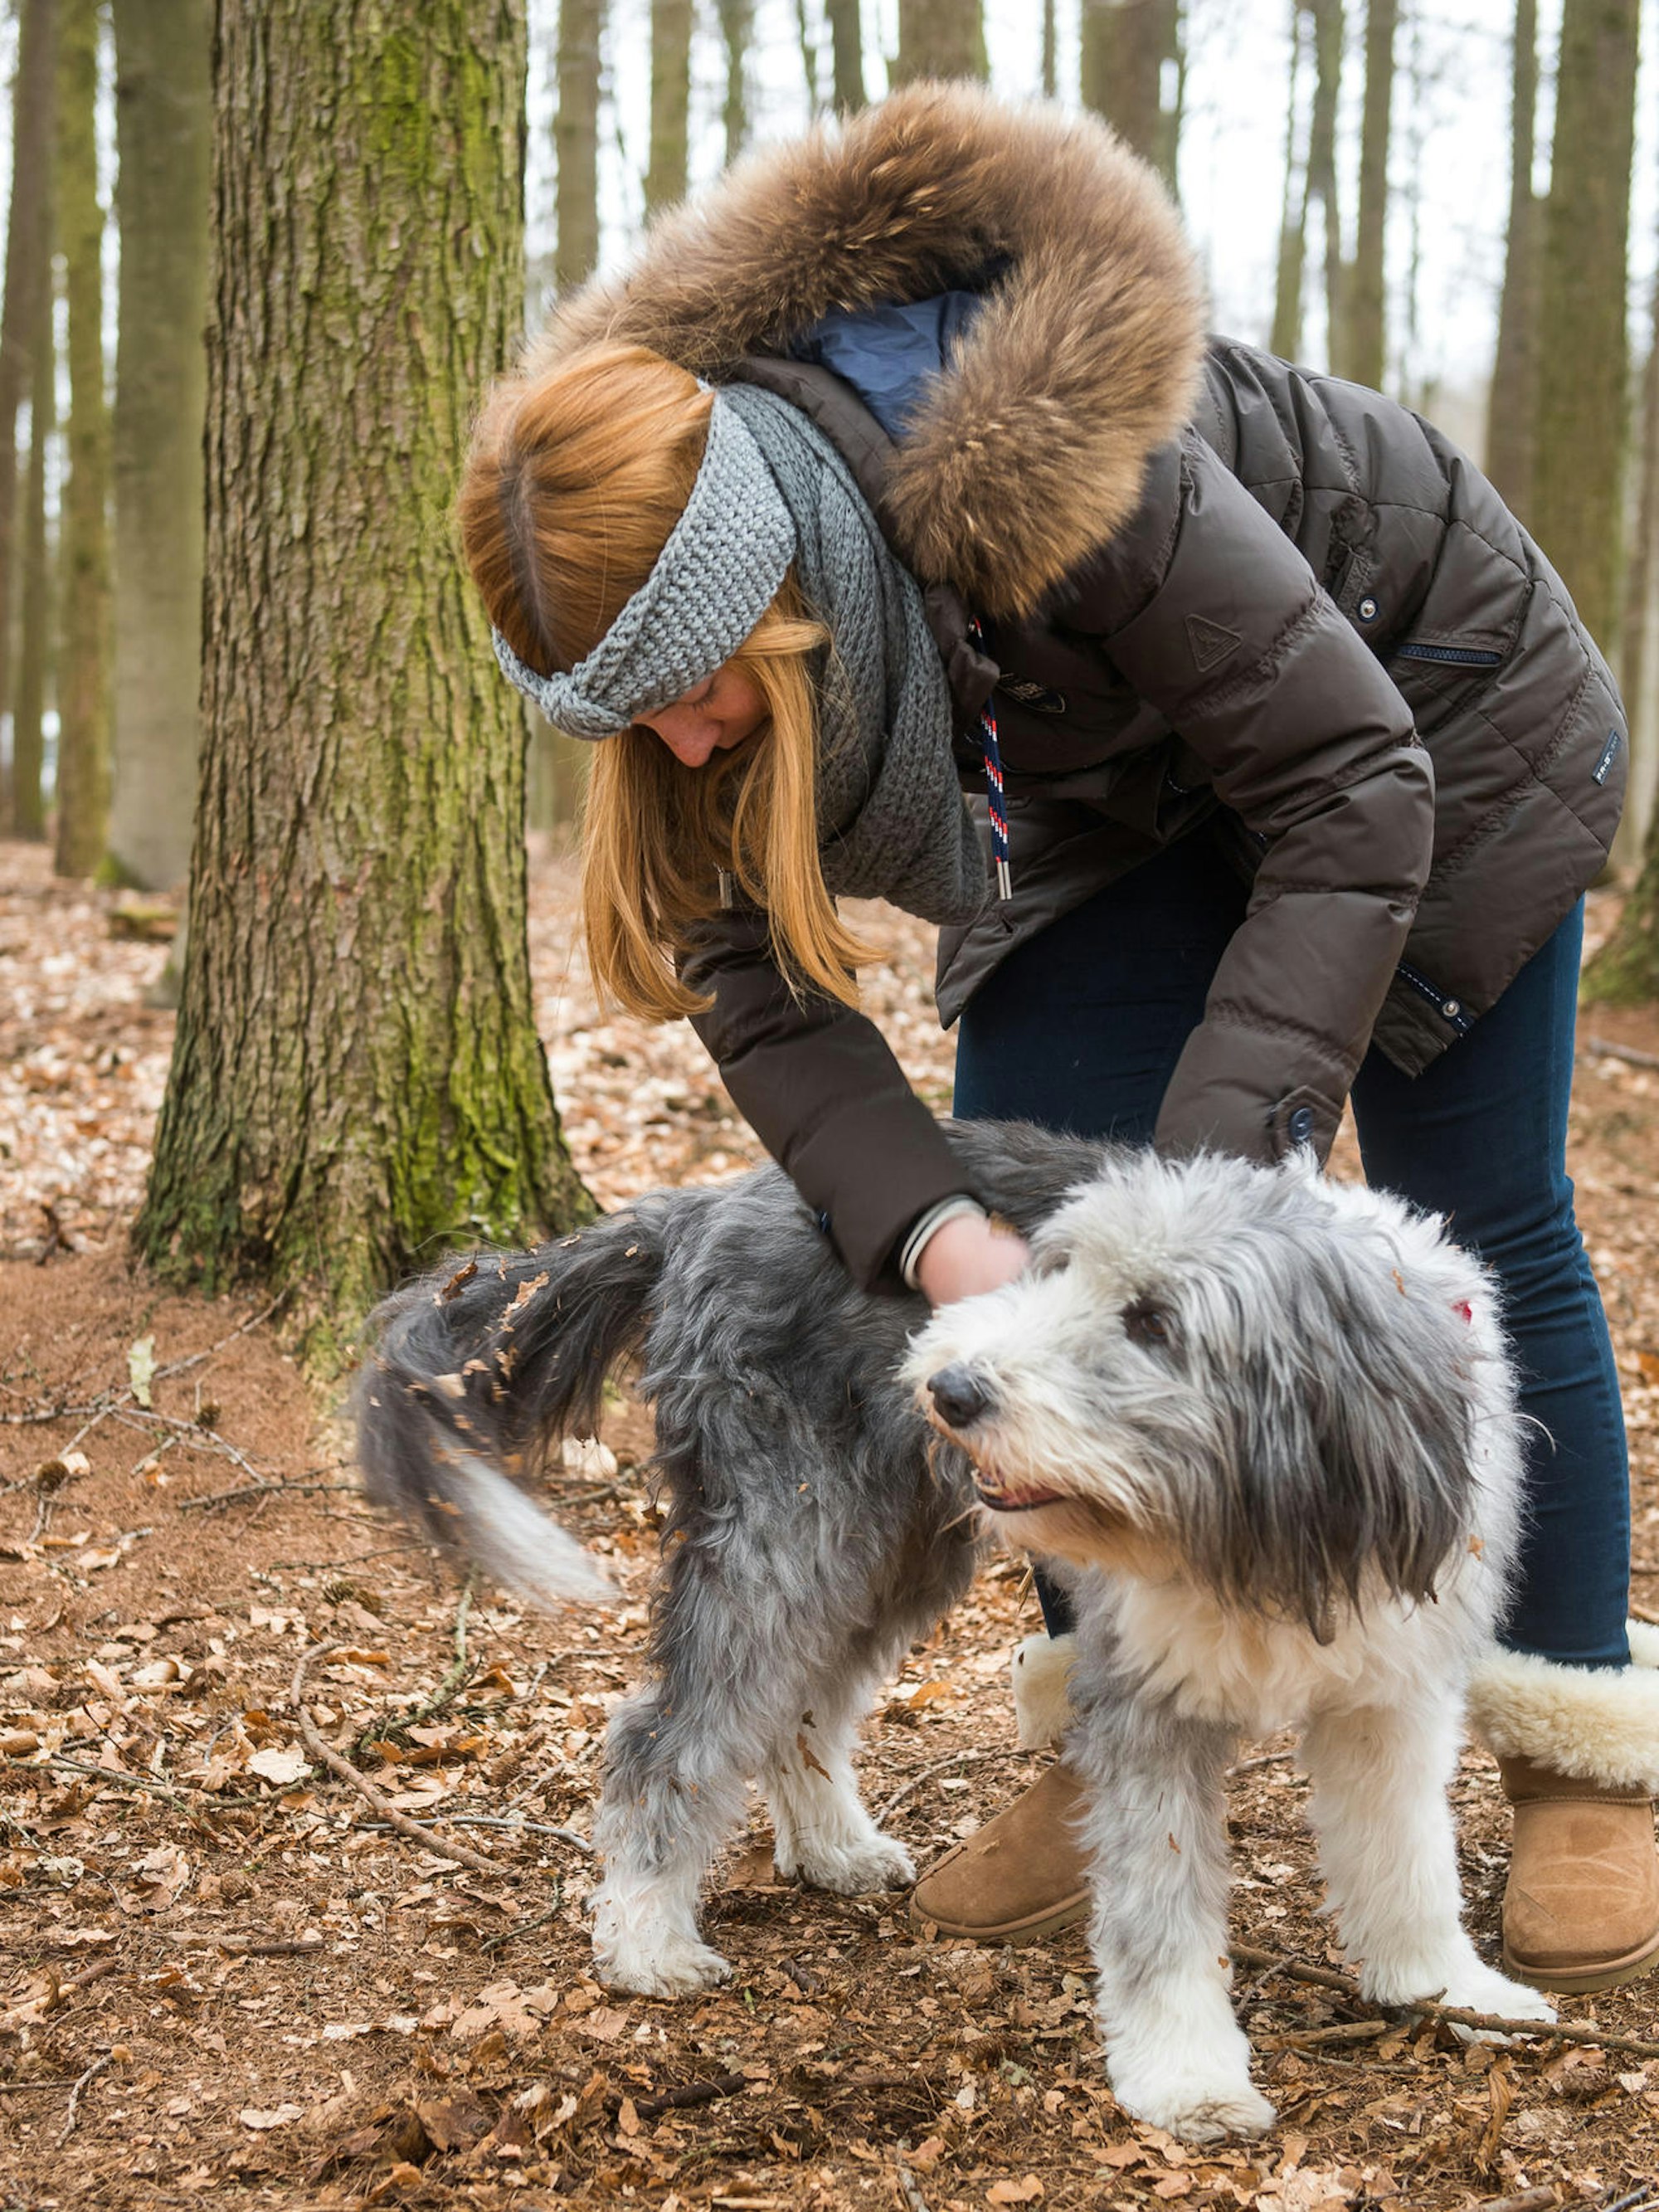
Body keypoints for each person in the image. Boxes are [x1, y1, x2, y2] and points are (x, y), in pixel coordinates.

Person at [460, 81, 1659, 1995]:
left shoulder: (1030, 454)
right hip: (1107, 798)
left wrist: (1204, 1211)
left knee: (1484, 1219)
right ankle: (1116, 1737)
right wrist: (939, 1235)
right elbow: (751, 982)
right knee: (1029, 1217)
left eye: (696, 691)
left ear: (777, 583)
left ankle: (1574, 1744)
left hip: (1421, 723)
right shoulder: (687, 667)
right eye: (627, 720)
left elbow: (1348, 786)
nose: (677, 745)